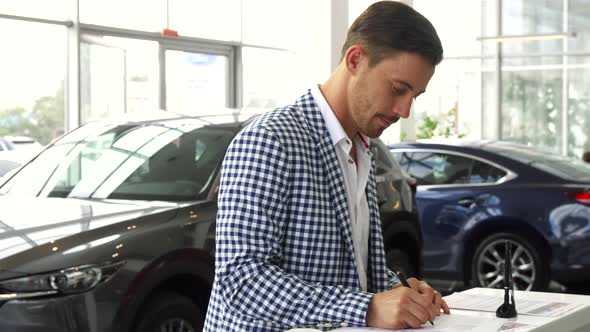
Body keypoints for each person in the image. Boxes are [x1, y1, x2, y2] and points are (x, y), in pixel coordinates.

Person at [204, 2, 449, 331]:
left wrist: (401, 295)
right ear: (355, 60)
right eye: (397, 89)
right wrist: (368, 307)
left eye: (415, 96)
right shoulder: (270, 140)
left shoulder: (363, 150)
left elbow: (351, 274)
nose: (405, 110)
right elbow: (242, 281)